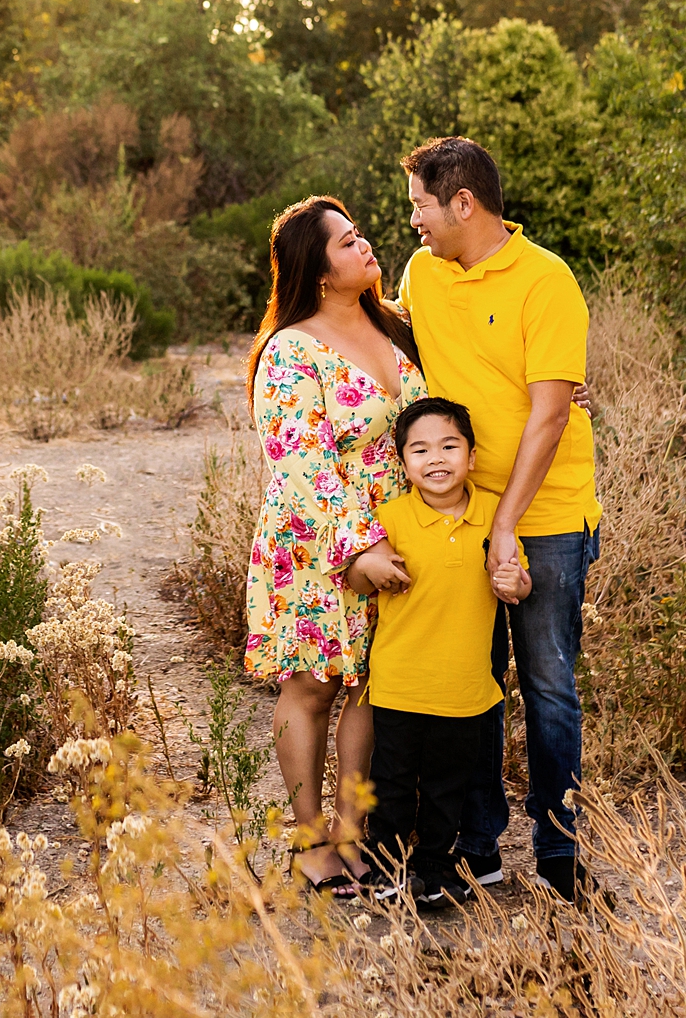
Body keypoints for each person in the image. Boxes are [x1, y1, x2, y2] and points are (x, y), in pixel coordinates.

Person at [396, 137, 599, 903]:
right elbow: (395, 341)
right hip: (458, 517)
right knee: (469, 685)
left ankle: (559, 861)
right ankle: (472, 850)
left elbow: (548, 420)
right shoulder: (424, 273)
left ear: (462, 204)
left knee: (547, 687)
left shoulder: (547, 282)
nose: (412, 219)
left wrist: (506, 526)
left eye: (419, 203)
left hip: (544, 517)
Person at [244, 195, 428, 893]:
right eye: (348, 243)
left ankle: (356, 836)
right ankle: (308, 837)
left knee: (374, 684)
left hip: (401, 531)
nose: (367, 248)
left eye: (361, 237)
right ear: (317, 271)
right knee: (314, 684)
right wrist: (357, 549)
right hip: (317, 538)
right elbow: (301, 462)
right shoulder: (290, 349)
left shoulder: (397, 325)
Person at [354, 396, 527, 909]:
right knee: (392, 782)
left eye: (450, 446)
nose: (436, 459)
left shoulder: (495, 516)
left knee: (448, 786)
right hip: (400, 683)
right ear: (403, 462)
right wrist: (371, 567)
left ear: (472, 456)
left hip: (465, 688)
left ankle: (433, 867)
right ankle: (385, 866)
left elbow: (520, 584)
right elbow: (358, 579)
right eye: (420, 449)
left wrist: (513, 582)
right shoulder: (390, 518)